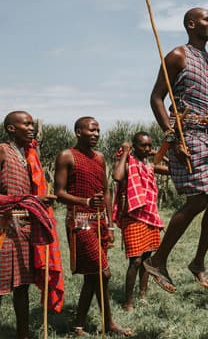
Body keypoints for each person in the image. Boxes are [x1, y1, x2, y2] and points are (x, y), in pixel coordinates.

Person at [145, 7, 208, 293]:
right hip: (188, 135)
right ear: (191, 24)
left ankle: (198, 262)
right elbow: (156, 98)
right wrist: (173, 138)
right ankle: (158, 260)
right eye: (207, 20)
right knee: (197, 201)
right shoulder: (177, 56)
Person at [54, 116, 132, 337]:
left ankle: (78, 326)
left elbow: (106, 190)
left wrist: (109, 222)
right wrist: (84, 202)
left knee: (92, 275)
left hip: (100, 223)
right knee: (103, 273)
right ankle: (109, 323)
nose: (96, 134)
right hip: (79, 222)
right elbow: (59, 193)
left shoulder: (99, 157)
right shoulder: (67, 156)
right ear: (78, 132)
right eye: (91, 130)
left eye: (98, 130)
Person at [0, 111, 59, 339]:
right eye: (26, 124)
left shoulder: (28, 156)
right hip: (4, 229)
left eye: (32, 124)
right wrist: (30, 201)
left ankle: (23, 335)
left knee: (22, 287)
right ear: (11, 128)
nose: (31, 127)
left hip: (22, 229)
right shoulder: (3, 151)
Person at [112, 132, 169, 311]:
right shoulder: (127, 165)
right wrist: (125, 154)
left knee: (147, 258)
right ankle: (128, 302)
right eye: (143, 146)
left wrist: (160, 155)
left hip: (150, 215)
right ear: (134, 146)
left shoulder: (149, 165)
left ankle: (142, 294)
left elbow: (172, 170)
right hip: (132, 216)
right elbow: (117, 176)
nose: (147, 149)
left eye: (149, 146)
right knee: (135, 260)